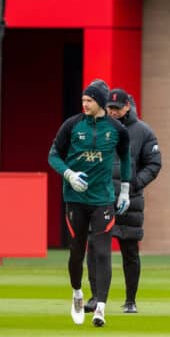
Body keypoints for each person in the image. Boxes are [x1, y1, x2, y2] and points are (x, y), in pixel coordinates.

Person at [48, 81, 131, 327]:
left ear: (101, 102)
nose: (84, 104)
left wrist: (125, 189)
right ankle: (77, 293)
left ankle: (101, 308)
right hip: (75, 199)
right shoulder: (72, 125)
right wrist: (70, 175)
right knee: (77, 252)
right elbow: (53, 155)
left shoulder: (117, 129)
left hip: (102, 199)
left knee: (103, 252)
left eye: (89, 101)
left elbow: (126, 157)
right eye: (83, 100)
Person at [84, 88, 162, 314]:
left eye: (117, 109)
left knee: (130, 251)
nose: (113, 112)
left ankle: (130, 300)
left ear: (128, 106)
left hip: (129, 201)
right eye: (110, 108)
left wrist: (134, 183)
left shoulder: (144, 132)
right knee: (95, 249)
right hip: (100, 198)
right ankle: (96, 297)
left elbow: (154, 164)